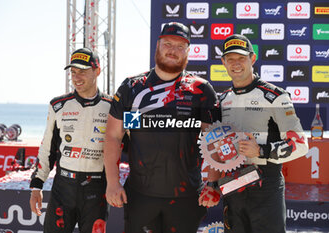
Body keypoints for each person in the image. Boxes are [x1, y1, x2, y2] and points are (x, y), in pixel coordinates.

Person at [104, 22, 221, 233]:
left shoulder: (201, 90)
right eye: (168, 43)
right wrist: (112, 183)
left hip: (186, 196)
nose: (172, 50)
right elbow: (113, 136)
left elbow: (213, 139)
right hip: (140, 195)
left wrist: (212, 183)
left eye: (179, 46)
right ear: (158, 45)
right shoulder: (132, 87)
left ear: (188, 51)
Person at [202, 34, 309, 233]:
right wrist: (211, 184)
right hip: (232, 184)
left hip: (266, 185)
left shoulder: (275, 96)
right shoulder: (222, 100)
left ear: (252, 59)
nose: (236, 64)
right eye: (230, 59)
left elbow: (301, 144)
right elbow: (215, 148)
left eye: (241, 58)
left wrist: (260, 150)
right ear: (223, 62)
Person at [29, 48, 111, 233]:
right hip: (63, 187)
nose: (77, 77)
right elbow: (47, 149)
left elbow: (136, 141)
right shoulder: (58, 105)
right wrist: (36, 186)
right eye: (73, 72)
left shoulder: (113, 106)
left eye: (82, 71)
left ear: (97, 71)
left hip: (97, 188)